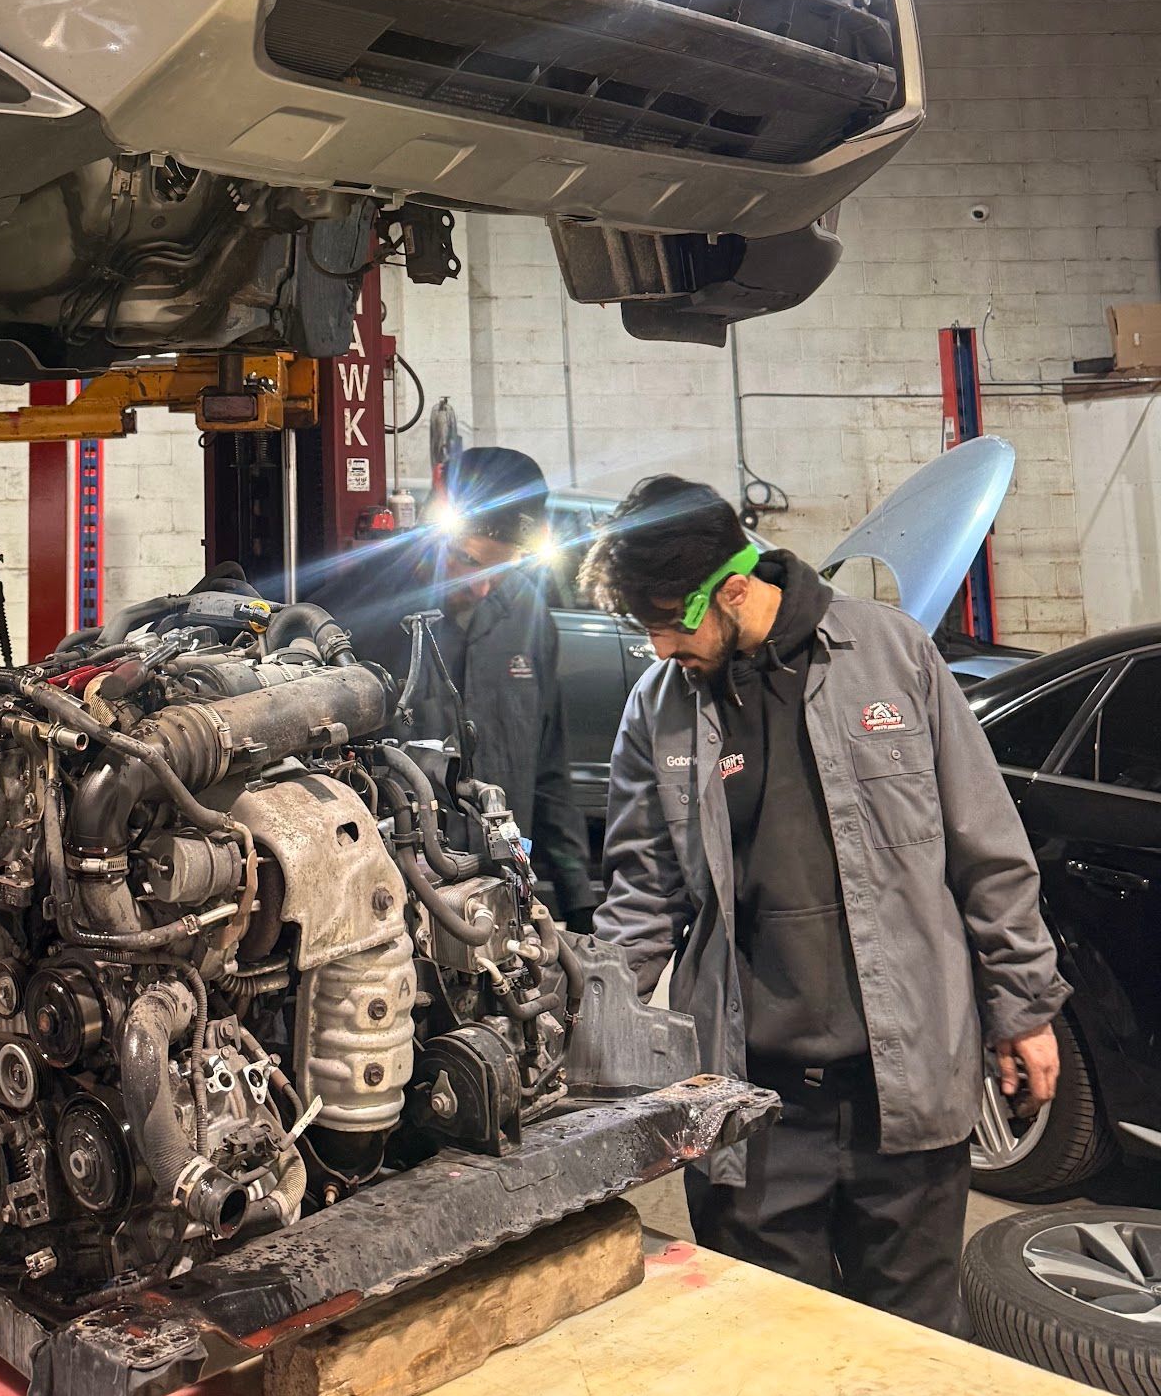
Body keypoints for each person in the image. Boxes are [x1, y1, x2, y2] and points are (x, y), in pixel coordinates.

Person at [582, 474, 1066, 1334]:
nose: (658, 648)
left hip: (905, 1085)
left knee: (916, 1341)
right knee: (769, 1348)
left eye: (669, 621)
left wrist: (1023, 1008)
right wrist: (580, 1043)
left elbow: (986, 849)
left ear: (732, 588)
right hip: (752, 1102)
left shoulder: (892, 655)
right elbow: (642, 898)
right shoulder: (656, 713)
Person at [333, 446, 597, 927]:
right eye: (465, 560)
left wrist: (578, 898)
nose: (480, 587)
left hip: (497, 892)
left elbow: (549, 768)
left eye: (501, 568)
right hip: (392, 896)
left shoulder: (527, 613)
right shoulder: (363, 606)